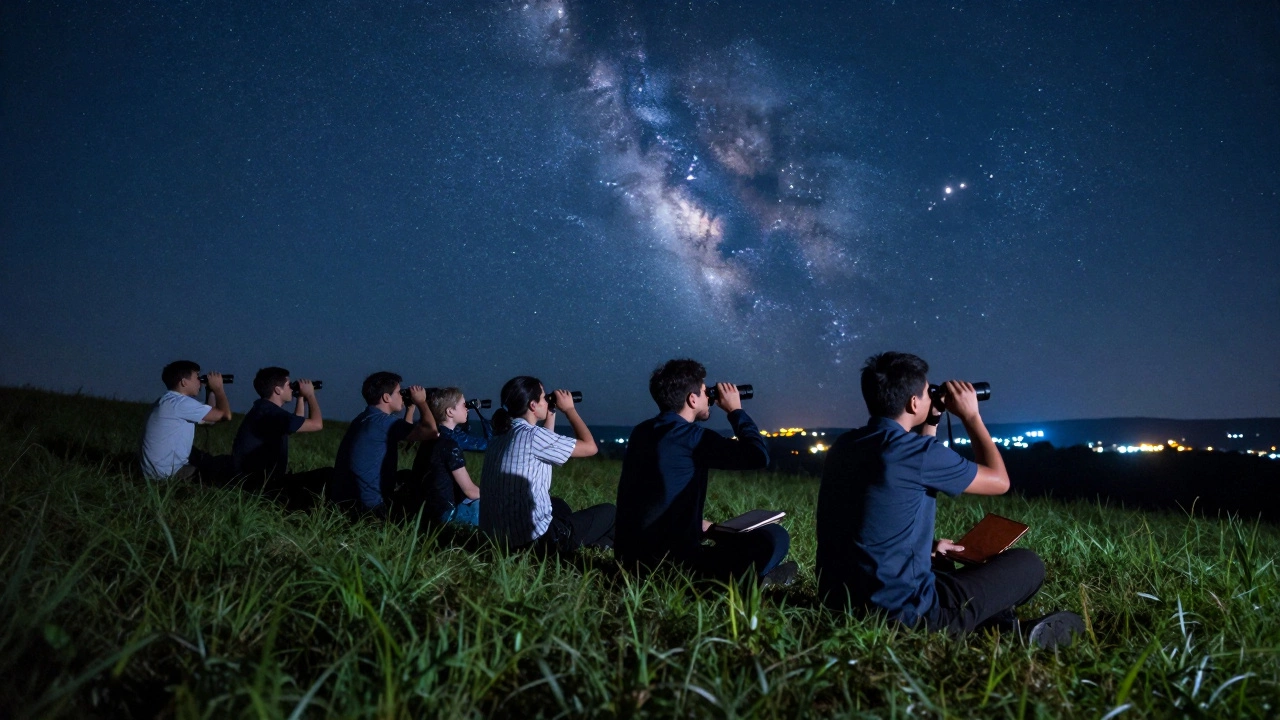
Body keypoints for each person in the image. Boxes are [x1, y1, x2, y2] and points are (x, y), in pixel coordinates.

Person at [816, 352, 1083, 648]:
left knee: (942, 565)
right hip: (906, 616)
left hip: (839, 602)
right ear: (914, 403)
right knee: (1028, 564)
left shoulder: (845, 446)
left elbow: (886, 498)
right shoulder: (916, 454)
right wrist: (971, 416)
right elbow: (999, 481)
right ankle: (1008, 631)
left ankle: (997, 624)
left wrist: (926, 550)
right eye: (927, 391)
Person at [614, 359, 796, 586]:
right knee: (776, 537)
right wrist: (735, 410)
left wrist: (706, 527)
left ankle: (749, 577)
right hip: (673, 566)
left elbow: (657, 499)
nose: (709, 397)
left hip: (629, 560)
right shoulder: (693, 438)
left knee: (727, 542)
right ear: (692, 399)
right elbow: (758, 456)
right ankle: (751, 581)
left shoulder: (642, 432)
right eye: (704, 391)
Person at [479, 376, 614, 552]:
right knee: (610, 512)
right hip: (534, 542)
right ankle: (596, 545)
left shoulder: (500, 436)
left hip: (496, 539)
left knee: (558, 505)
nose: (547, 400)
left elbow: (545, 444)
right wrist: (570, 410)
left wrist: (551, 412)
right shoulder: (532, 436)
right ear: (533, 405)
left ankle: (584, 539)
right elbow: (590, 447)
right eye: (544, 397)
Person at [330, 371, 438, 517]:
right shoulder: (383, 422)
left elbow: (406, 434)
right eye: (400, 392)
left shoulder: (365, 418)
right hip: (370, 507)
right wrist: (421, 402)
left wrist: (410, 408)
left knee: (406, 476)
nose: (403, 395)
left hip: (348, 499)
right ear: (386, 397)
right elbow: (431, 432)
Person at [231, 367, 323, 490]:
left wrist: (300, 397)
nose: (291, 388)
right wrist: (310, 395)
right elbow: (317, 424)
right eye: (288, 385)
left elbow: (296, 423)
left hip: (254, 481)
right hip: (262, 486)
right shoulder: (272, 413)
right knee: (326, 476)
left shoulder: (264, 409)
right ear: (277, 390)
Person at [139, 360, 232, 480]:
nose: (200, 381)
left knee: (203, 457)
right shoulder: (181, 403)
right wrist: (219, 389)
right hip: (168, 474)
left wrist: (210, 390)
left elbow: (210, 420)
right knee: (225, 468)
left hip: (154, 471)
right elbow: (225, 415)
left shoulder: (168, 401)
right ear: (184, 382)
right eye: (197, 377)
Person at [405, 387, 482, 525]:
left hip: (426, 511)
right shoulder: (449, 445)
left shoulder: (430, 440)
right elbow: (470, 491)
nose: (467, 409)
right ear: (450, 411)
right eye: (464, 405)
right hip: (445, 514)